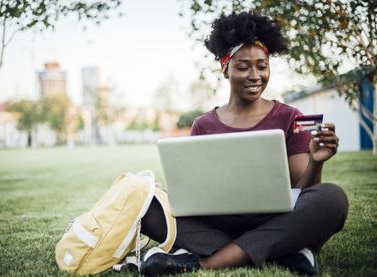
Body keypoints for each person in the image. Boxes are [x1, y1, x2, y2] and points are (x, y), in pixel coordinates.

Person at [140, 12, 348, 276]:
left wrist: (316, 163)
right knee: (147, 207)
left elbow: (303, 191)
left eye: (262, 66)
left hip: (276, 220)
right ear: (225, 68)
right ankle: (285, 254)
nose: (255, 75)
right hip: (219, 224)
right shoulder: (203, 125)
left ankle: (207, 262)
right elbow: (193, 194)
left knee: (331, 198)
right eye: (243, 67)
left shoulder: (290, 117)